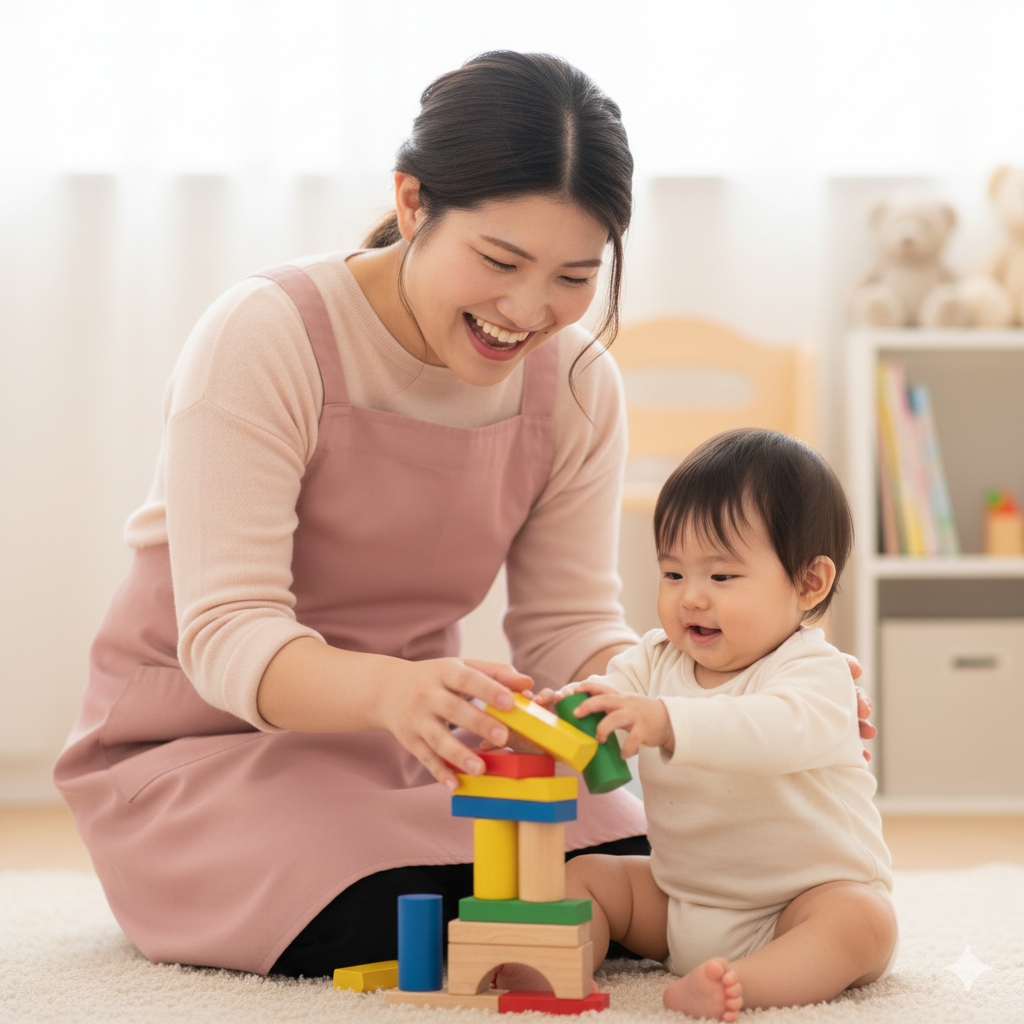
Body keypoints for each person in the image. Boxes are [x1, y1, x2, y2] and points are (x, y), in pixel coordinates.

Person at [53, 52, 874, 979]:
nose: (529, 310)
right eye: (498, 261)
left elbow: (567, 626)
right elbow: (228, 633)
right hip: (206, 748)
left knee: (655, 875)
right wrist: (390, 692)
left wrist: (726, 683)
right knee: (410, 905)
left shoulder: (575, 382)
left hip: (429, 742)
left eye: (574, 275)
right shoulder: (265, 336)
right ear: (412, 203)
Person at [549, 428, 897, 1021]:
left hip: (800, 902)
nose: (690, 599)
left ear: (809, 582)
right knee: (583, 876)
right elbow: (609, 697)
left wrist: (662, 721)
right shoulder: (654, 659)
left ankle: (742, 982)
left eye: (722, 577)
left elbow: (771, 729)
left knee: (863, 922)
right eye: (674, 574)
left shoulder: (813, 669)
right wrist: (565, 711)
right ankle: (555, 966)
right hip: (681, 900)